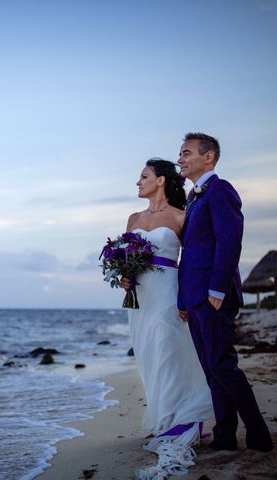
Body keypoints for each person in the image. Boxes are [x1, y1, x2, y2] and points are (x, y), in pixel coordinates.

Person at [177, 132, 274, 460]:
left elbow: (230, 241)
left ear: (208, 157)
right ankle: (225, 436)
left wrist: (217, 290)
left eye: (186, 152)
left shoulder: (219, 190)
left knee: (223, 365)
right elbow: (189, 252)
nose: (180, 158)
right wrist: (183, 300)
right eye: (180, 153)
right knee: (211, 369)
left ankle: (259, 437)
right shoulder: (192, 198)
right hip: (194, 297)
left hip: (212, 294)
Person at [123, 158, 213, 479]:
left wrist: (187, 296)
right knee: (148, 355)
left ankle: (182, 420)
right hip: (140, 298)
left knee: (169, 353)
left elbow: (193, 259)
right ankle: (163, 417)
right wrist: (124, 276)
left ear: (160, 180)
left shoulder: (180, 216)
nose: (138, 181)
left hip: (167, 292)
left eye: (143, 176)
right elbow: (127, 259)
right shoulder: (133, 218)